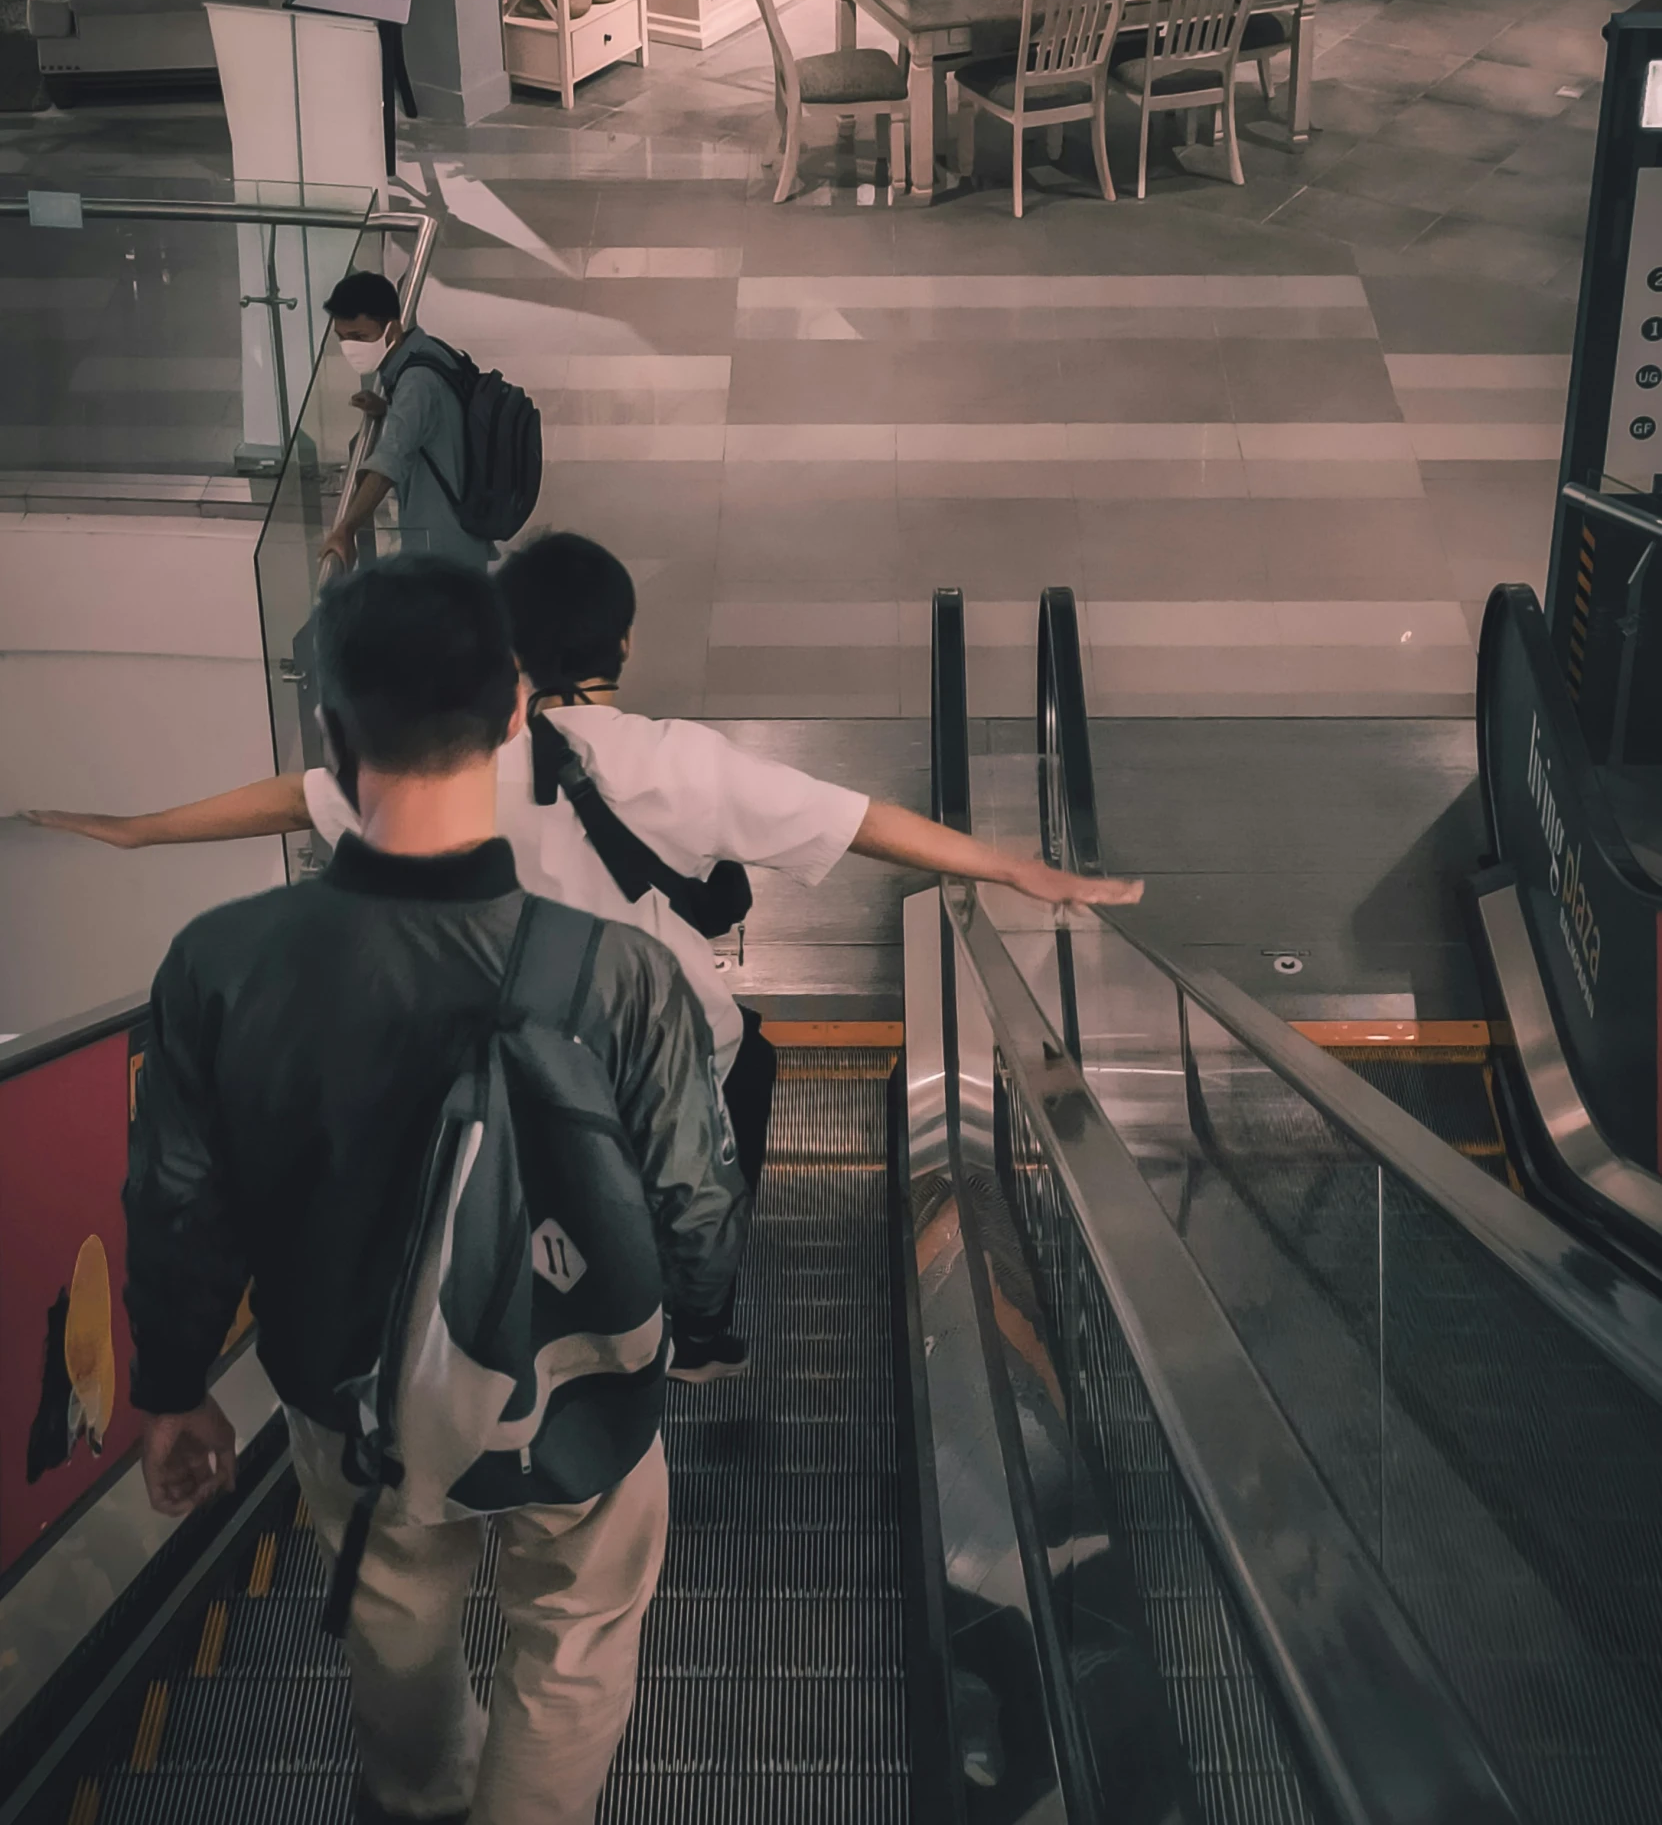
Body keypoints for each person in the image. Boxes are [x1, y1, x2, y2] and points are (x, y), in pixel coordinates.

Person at [35, 534, 1142, 1379]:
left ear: (505, 650)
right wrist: (1014, 868)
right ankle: (697, 1326)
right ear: (619, 646)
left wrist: (138, 828)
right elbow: (865, 821)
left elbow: (293, 795)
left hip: (479, 1053)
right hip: (650, 1052)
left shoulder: (456, 754)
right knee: (741, 1064)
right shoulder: (676, 761)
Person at [124, 556, 745, 1825]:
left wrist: (177, 1387)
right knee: (572, 1643)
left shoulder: (222, 962)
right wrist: (688, 1327)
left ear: (332, 731)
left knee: (394, 1612)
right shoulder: (619, 973)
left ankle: (414, 1801)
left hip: (348, 1391)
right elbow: (696, 1201)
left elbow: (183, 1202)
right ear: (517, 711)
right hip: (574, 1387)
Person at [319, 271, 491, 575]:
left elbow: (390, 461)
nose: (350, 347)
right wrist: (387, 410)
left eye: (360, 337)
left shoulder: (416, 380)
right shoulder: (428, 350)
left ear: (392, 329)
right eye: (342, 338)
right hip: (461, 529)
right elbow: (430, 418)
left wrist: (346, 528)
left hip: (442, 544)